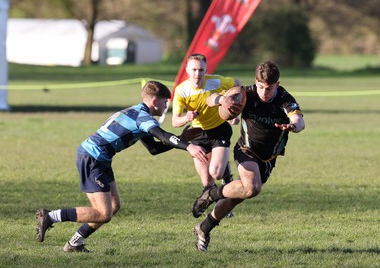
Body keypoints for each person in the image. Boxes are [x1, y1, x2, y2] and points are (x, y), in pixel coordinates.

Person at [36, 81, 208, 253]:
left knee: (113, 205)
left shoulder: (137, 113)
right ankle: (50, 216)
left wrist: (182, 137)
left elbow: (154, 148)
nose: (166, 106)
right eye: (165, 102)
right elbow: (162, 136)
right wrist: (188, 146)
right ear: (155, 102)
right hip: (92, 158)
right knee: (104, 213)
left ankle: (75, 243)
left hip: (100, 158)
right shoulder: (142, 118)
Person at [192, 61, 305, 252]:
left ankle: (204, 227)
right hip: (246, 150)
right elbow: (210, 99)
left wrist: (293, 126)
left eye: (269, 88)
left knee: (238, 196)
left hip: (268, 159)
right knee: (252, 188)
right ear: (255, 82)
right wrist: (222, 100)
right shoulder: (246, 93)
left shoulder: (285, 98)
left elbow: (299, 119)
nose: (264, 92)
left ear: (277, 85)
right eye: (261, 87)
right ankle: (211, 194)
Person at [171, 53, 242, 218]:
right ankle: (222, 202)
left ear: (206, 70)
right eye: (194, 70)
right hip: (198, 135)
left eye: (201, 70)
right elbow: (175, 121)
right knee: (208, 183)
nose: (197, 74)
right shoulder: (181, 91)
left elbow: (237, 85)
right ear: (187, 70)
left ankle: (226, 177)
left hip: (219, 130)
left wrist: (233, 108)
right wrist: (186, 118)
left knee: (216, 173)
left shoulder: (216, 81)